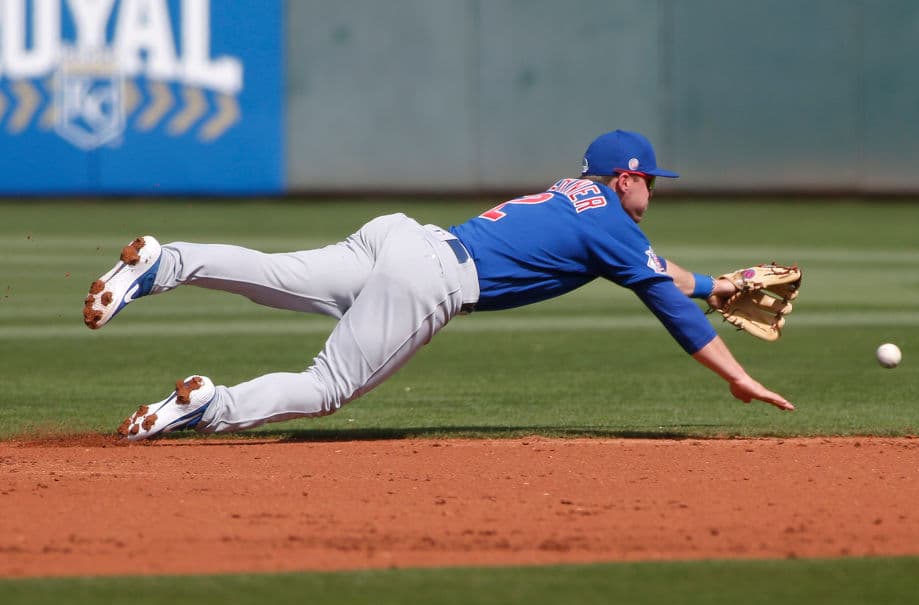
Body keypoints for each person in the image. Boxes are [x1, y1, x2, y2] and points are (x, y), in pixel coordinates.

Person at [83, 129, 793, 440]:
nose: (654, 192)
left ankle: (164, 262)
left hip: (401, 237)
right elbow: (669, 308)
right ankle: (208, 406)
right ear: (629, 177)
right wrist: (735, 376)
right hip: (431, 276)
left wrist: (711, 285)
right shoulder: (613, 223)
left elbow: (654, 271)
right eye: (651, 181)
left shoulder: (577, 193)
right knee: (327, 385)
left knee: (278, 275)